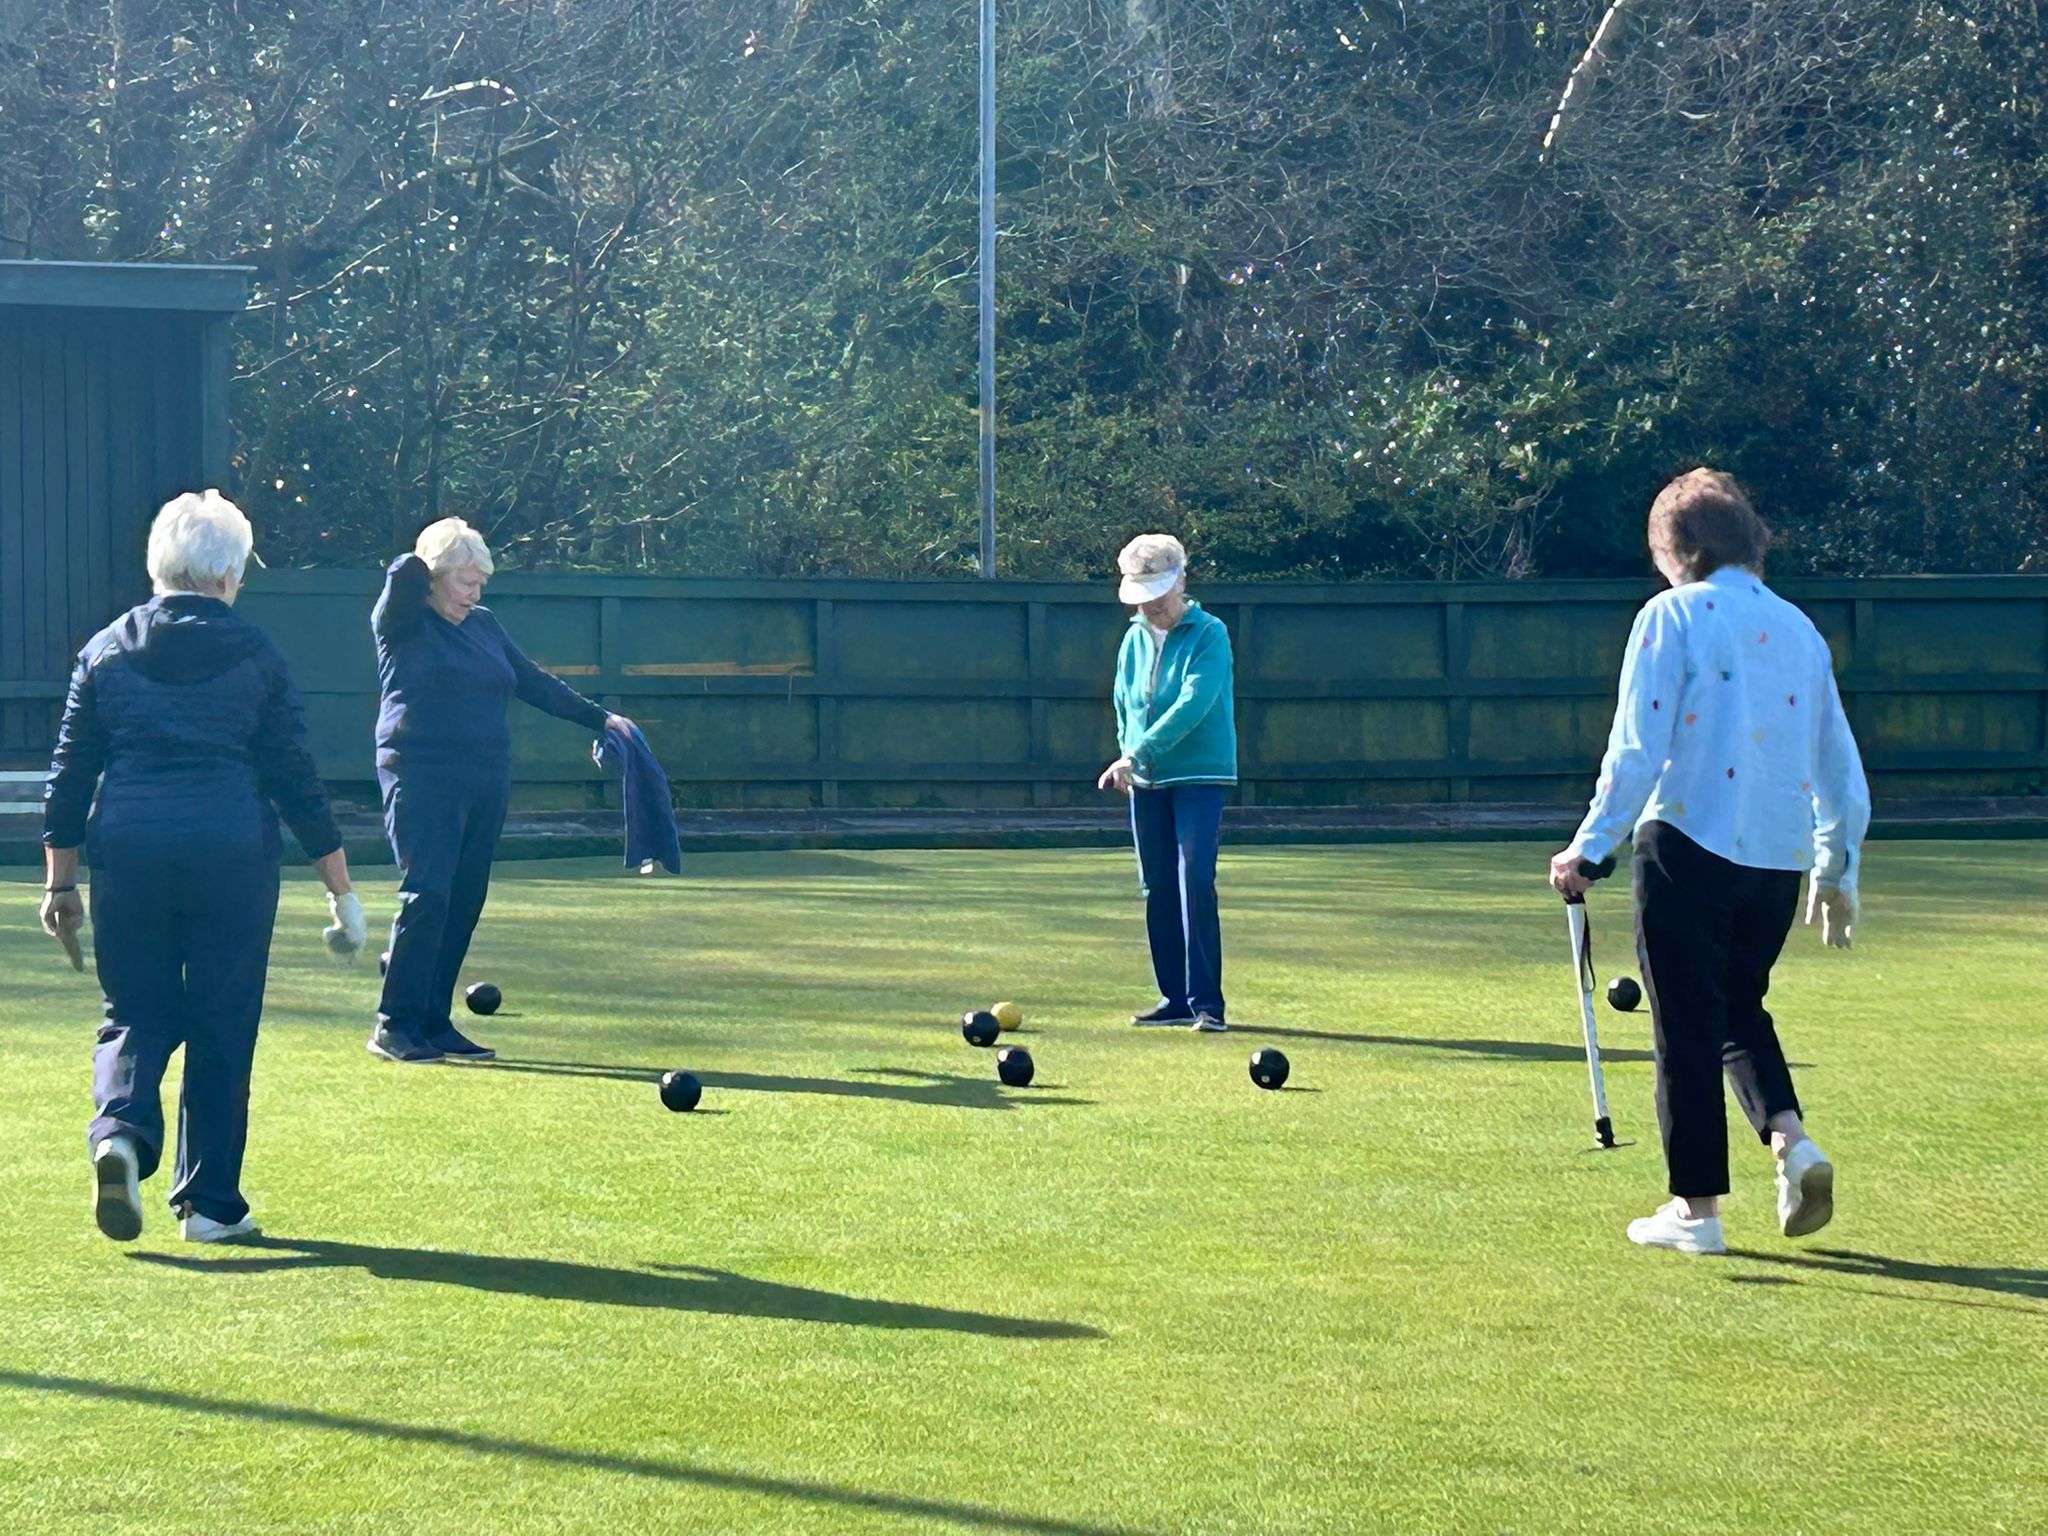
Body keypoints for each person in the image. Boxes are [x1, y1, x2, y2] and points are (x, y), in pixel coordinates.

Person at [1551, 469, 1870, 1256]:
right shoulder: (1800, 629)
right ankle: (1792, 1143)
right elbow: (1840, 764)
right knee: (1736, 1007)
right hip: (1777, 858)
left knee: (1685, 1026)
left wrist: (1589, 848)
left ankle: (1696, 1212)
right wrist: (1836, 865)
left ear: (1680, 549)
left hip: (1688, 841)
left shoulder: (1672, 615)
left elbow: (1637, 747)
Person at [41, 490, 366, 1245]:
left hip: (130, 852)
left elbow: (68, 776)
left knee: (135, 1010)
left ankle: (119, 1133)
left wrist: (60, 882)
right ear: (226, 576)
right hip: (230, 856)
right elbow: (295, 778)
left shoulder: (105, 650)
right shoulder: (257, 655)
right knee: (222, 1019)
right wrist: (340, 890)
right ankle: (211, 1204)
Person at [368, 518, 631, 1063]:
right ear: (435, 577)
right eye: (466, 580)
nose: (476, 592)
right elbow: (401, 574)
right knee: (428, 893)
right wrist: (433, 548)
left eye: (481, 582)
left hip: (484, 777)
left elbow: (532, 681)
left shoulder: (484, 625)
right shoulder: (402, 623)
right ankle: (394, 1025)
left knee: (464, 900)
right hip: (421, 773)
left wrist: (600, 719)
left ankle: (434, 1023)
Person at [1097, 533, 1239, 1032]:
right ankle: (1174, 999)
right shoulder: (1133, 638)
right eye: (1142, 597)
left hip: (1200, 774)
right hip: (1146, 782)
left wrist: (1137, 754)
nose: (1151, 607)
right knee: (1156, 886)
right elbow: (1124, 703)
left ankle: (1208, 1004)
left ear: (1181, 579)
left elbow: (1194, 706)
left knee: (1194, 882)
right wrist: (1129, 758)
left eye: (1158, 594)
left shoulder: (1209, 633)